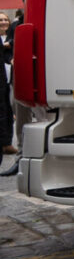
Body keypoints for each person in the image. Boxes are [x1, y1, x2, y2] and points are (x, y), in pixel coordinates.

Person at [0, 11, 15, 155]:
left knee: (7, 110)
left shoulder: (10, 37)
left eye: (5, 19)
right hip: (3, 78)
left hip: (8, 77)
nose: (3, 22)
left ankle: (6, 142)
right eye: (0, 20)